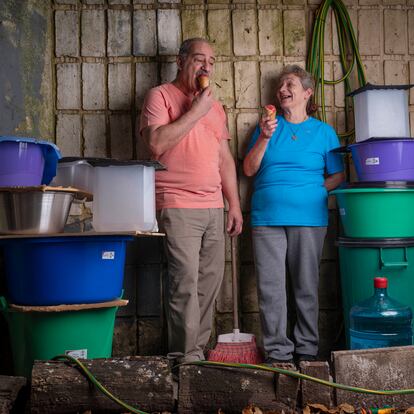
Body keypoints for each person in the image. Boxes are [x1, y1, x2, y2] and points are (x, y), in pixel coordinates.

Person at [139, 38, 243, 365]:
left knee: (208, 286)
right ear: (181, 61)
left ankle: (193, 354)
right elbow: (155, 144)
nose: (206, 67)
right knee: (184, 283)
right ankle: (186, 359)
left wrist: (234, 204)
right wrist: (195, 112)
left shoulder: (215, 105)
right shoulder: (160, 96)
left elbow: (225, 158)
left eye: (211, 61)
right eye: (199, 59)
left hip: (214, 205)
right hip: (177, 203)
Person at [243, 65, 345, 365]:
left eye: (290, 84)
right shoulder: (267, 127)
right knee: (271, 289)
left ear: (307, 92)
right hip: (267, 217)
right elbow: (248, 170)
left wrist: (313, 191)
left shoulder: (324, 132)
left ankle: (307, 352)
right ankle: (278, 354)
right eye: (280, 85)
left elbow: (338, 176)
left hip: (310, 218)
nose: (282, 89)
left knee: (306, 286)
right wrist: (263, 137)